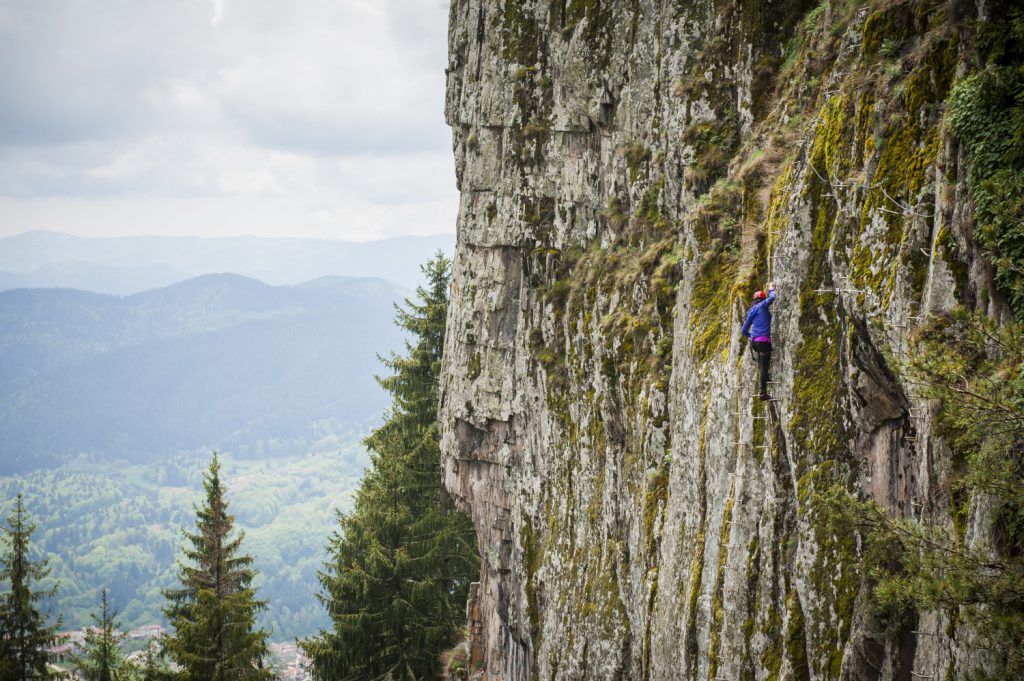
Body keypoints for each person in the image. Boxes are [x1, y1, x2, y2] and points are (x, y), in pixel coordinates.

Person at [741, 282, 777, 400]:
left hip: (754, 342)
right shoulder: (762, 305)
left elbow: (743, 330)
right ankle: (762, 393)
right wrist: (771, 289)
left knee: (762, 363)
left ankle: (765, 377)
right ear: (762, 299)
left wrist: (751, 335)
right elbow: (772, 297)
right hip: (763, 341)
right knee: (764, 366)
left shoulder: (752, 311)